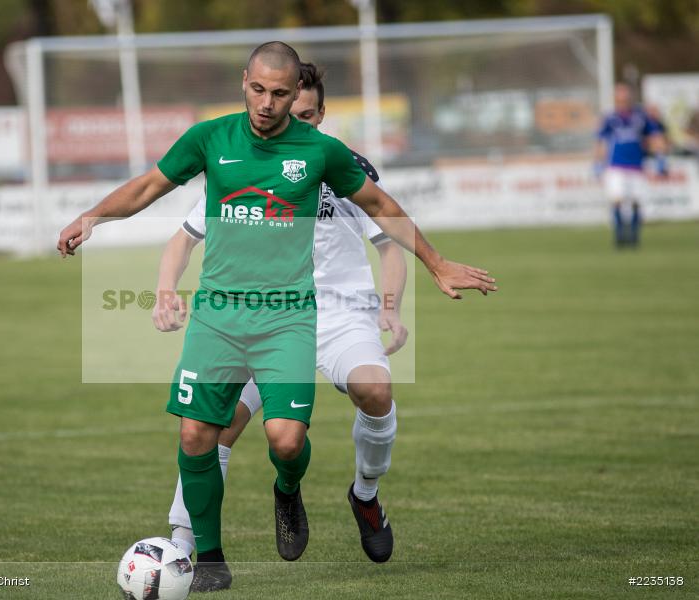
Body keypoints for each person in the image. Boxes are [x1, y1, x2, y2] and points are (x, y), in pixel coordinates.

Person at [57, 41, 497, 592]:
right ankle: (205, 556)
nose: (267, 103)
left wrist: (435, 264)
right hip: (219, 315)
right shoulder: (211, 139)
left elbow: (382, 210)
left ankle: (293, 488)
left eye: (281, 94)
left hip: (292, 316)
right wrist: (94, 217)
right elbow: (150, 186)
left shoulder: (321, 153)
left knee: (287, 441)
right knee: (198, 432)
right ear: (244, 81)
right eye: (259, 89)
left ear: (298, 98)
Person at [158, 62, 407, 568]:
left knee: (376, 392)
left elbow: (391, 242)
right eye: (291, 112)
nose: (298, 122)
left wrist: (390, 307)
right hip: (263, 313)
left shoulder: (343, 165)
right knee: (210, 428)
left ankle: (365, 495)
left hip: (337, 315)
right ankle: (183, 545)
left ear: (319, 111)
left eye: (309, 114)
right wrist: (167, 289)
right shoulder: (245, 160)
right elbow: (184, 238)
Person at [594, 84, 667, 247]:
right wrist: (597, 163)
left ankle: (634, 238)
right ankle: (619, 237)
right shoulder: (609, 118)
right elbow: (600, 141)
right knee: (617, 200)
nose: (623, 102)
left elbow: (656, 136)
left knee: (636, 201)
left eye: (625, 98)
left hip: (636, 166)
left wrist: (660, 158)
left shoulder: (641, 117)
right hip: (616, 166)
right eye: (619, 99)